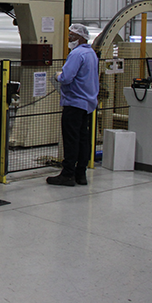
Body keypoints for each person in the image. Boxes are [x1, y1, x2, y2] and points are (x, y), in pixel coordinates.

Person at [47, 23, 99, 186]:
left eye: (71, 36)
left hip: (74, 103)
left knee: (71, 140)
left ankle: (67, 174)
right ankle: (80, 174)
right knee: (83, 139)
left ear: (80, 37)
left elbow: (67, 77)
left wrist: (58, 76)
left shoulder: (76, 54)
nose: (69, 38)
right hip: (88, 104)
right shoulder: (91, 54)